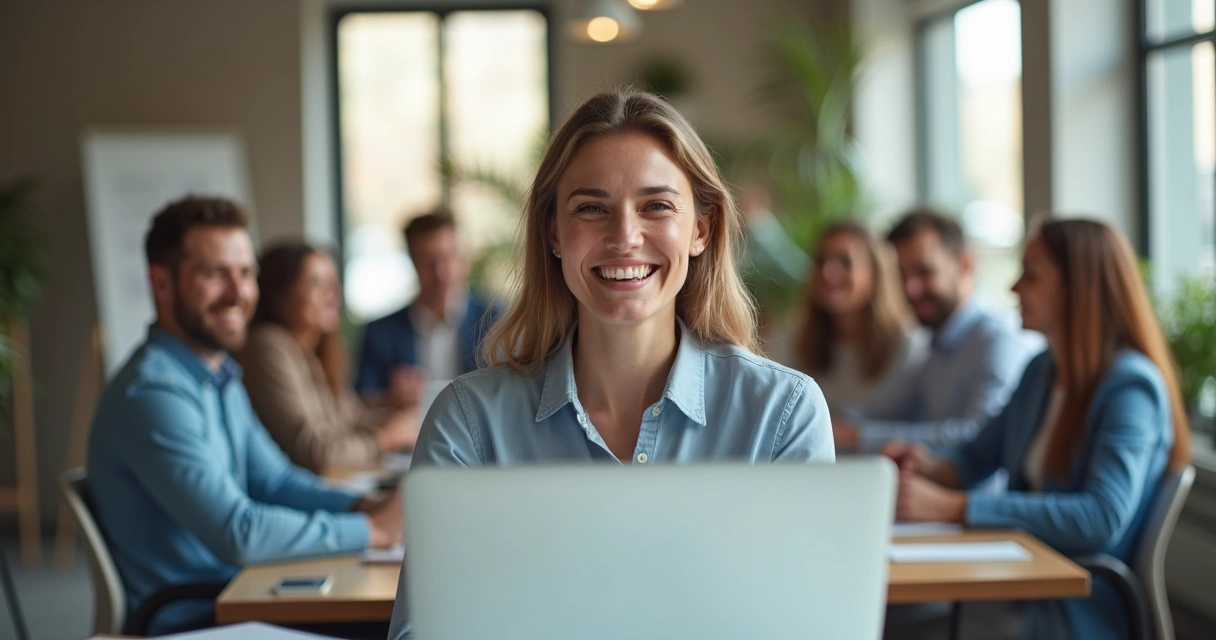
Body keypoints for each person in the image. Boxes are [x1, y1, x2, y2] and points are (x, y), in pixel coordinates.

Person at [386, 90, 835, 640]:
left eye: (657, 206)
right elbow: (422, 631)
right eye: (592, 208)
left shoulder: (783, 415)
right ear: (553, 232)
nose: (625, 237)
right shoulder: (468, 423)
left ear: (702, 229)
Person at [86, 197, 404, 635]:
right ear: (161, 283)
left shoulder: (219, 376)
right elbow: (239, 531)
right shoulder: (153, 395)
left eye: (245, 273)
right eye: (216, 274)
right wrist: (372, 531)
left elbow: (275, 482)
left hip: (238, 595)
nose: (238, 293)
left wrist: (362, 504)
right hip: (195, 619)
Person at [885, 218, 1191, 640]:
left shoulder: (1130, 387)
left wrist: (951, 508)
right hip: (1022, 583)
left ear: (1079, 288)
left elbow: (1101, 517)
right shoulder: (1041, 370)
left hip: (1077, 607)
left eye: (1031, 275)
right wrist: (930, 467)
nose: (1014, 288)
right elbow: (977, 456)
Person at [833, 209, 1032, 453]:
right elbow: (887, 409)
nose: (910, 289)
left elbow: (979, 436)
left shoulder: (998, 340)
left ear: (965, 264)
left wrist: (856, 436)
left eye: (924, 272)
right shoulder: (935, 344)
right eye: (901, 276)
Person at [235, 242, 420, 473]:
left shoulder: (312, 351)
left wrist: (404, 414)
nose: (333, 294)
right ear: (280, 293)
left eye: (333, 283)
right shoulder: (268, 346)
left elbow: (352, 416)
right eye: (316, 283)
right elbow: (316, 453)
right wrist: (385, 438)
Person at [354, 208, 500, 402]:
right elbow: (361, 404)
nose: (441, 273)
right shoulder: (380, 333)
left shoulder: (496, 320)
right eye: (429, 262)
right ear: (412, 263)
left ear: (463, 259)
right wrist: (391, 399)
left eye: (448, 257)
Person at [793, 220, 926, 410]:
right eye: (821, 261)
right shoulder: (796, 341)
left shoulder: (910, 347)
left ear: (876, 273)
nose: (828, 272)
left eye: (845, 262)